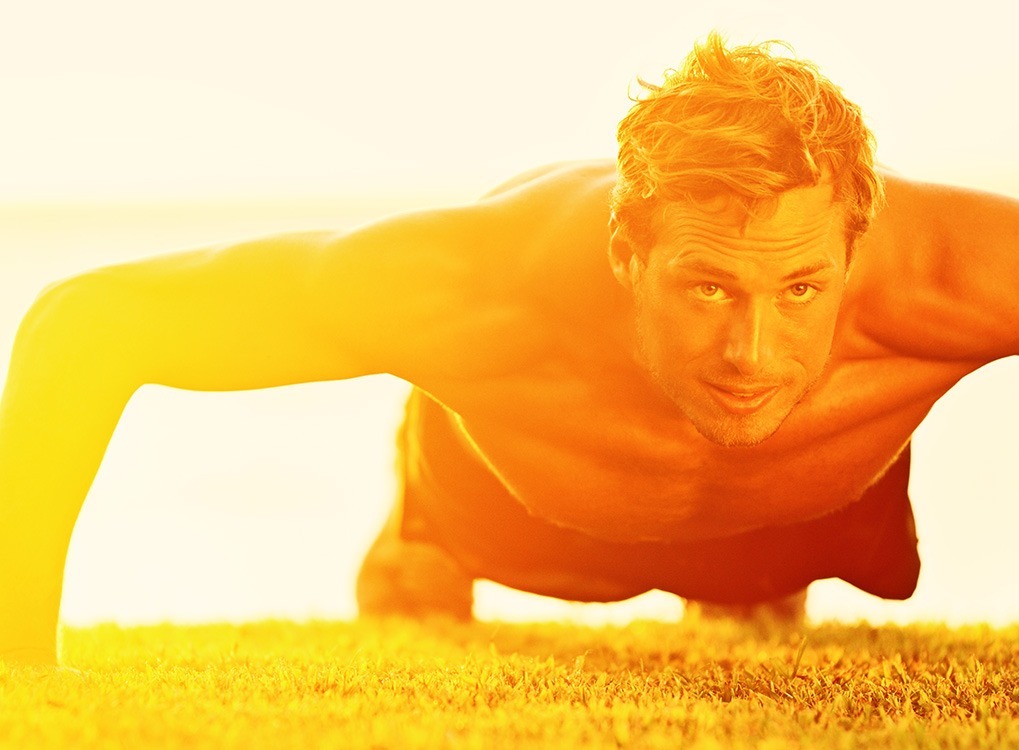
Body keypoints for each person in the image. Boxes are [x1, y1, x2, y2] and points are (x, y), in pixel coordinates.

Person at [2, 33, 1017, 667]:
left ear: (851, 247)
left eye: (799, 291)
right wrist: (16, 663)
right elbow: (84, 326)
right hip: (510, 491)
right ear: (626, 251)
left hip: (804, 509)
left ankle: (750, 583)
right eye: (705, 287)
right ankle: (416, 528)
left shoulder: (946, 275)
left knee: (748, 632)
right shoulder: (476, 287)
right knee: (411, 599)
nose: (752, 351)